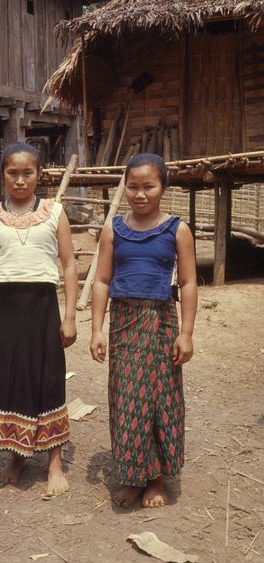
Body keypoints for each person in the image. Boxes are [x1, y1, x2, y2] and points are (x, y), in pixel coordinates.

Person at [0, 142, 77, 497]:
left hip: (43, 307)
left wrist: (70, 316)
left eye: (27, 173)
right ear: (2, 175)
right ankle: (17, 455)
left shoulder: (54, 212)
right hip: (3, 310)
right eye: (12, 173)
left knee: (48, 376)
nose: (20, 180)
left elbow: (69, 265)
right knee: (10, 378)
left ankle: (54, 462)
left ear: (39, 175)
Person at [90, 153, 197, 508]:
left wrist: (186, 333)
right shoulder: (113, 230)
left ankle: (156, 479)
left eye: (148, 186)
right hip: (124, 322)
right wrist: (97, 329)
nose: (139, 194)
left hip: (161, 321)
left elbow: (188, 283)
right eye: (132, 186)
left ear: (163, 187)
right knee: (127, 399)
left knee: (160, 399)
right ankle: (133, 477)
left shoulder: (177, 230)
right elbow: (102, 281)